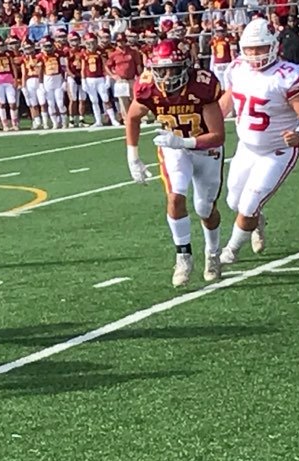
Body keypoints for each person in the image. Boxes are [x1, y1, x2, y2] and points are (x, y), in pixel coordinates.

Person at [126, 39, 226, 287]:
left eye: (173, 69)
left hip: (206, 149)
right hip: (174, 149)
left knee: (205, 209)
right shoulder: (148, 86)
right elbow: (133, 117)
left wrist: (184, 142)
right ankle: (183, 256)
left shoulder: (202, 85)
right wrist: (133, 156)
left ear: (186, 66)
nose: (167, 76)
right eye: (162, 70)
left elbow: (217, 135)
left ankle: (213, 253)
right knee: (175, 197)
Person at [218, 19, 299, 264]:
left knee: (248, 205)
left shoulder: (288, 75)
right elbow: (227, 100)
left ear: (273, 46)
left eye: (260, 48)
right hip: (246, 148)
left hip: (277, 150)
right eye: (250, 49)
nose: (255, 54)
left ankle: (230, 251)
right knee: (233, 202)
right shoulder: (237, 68)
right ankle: (256, 220)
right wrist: (209, 122)